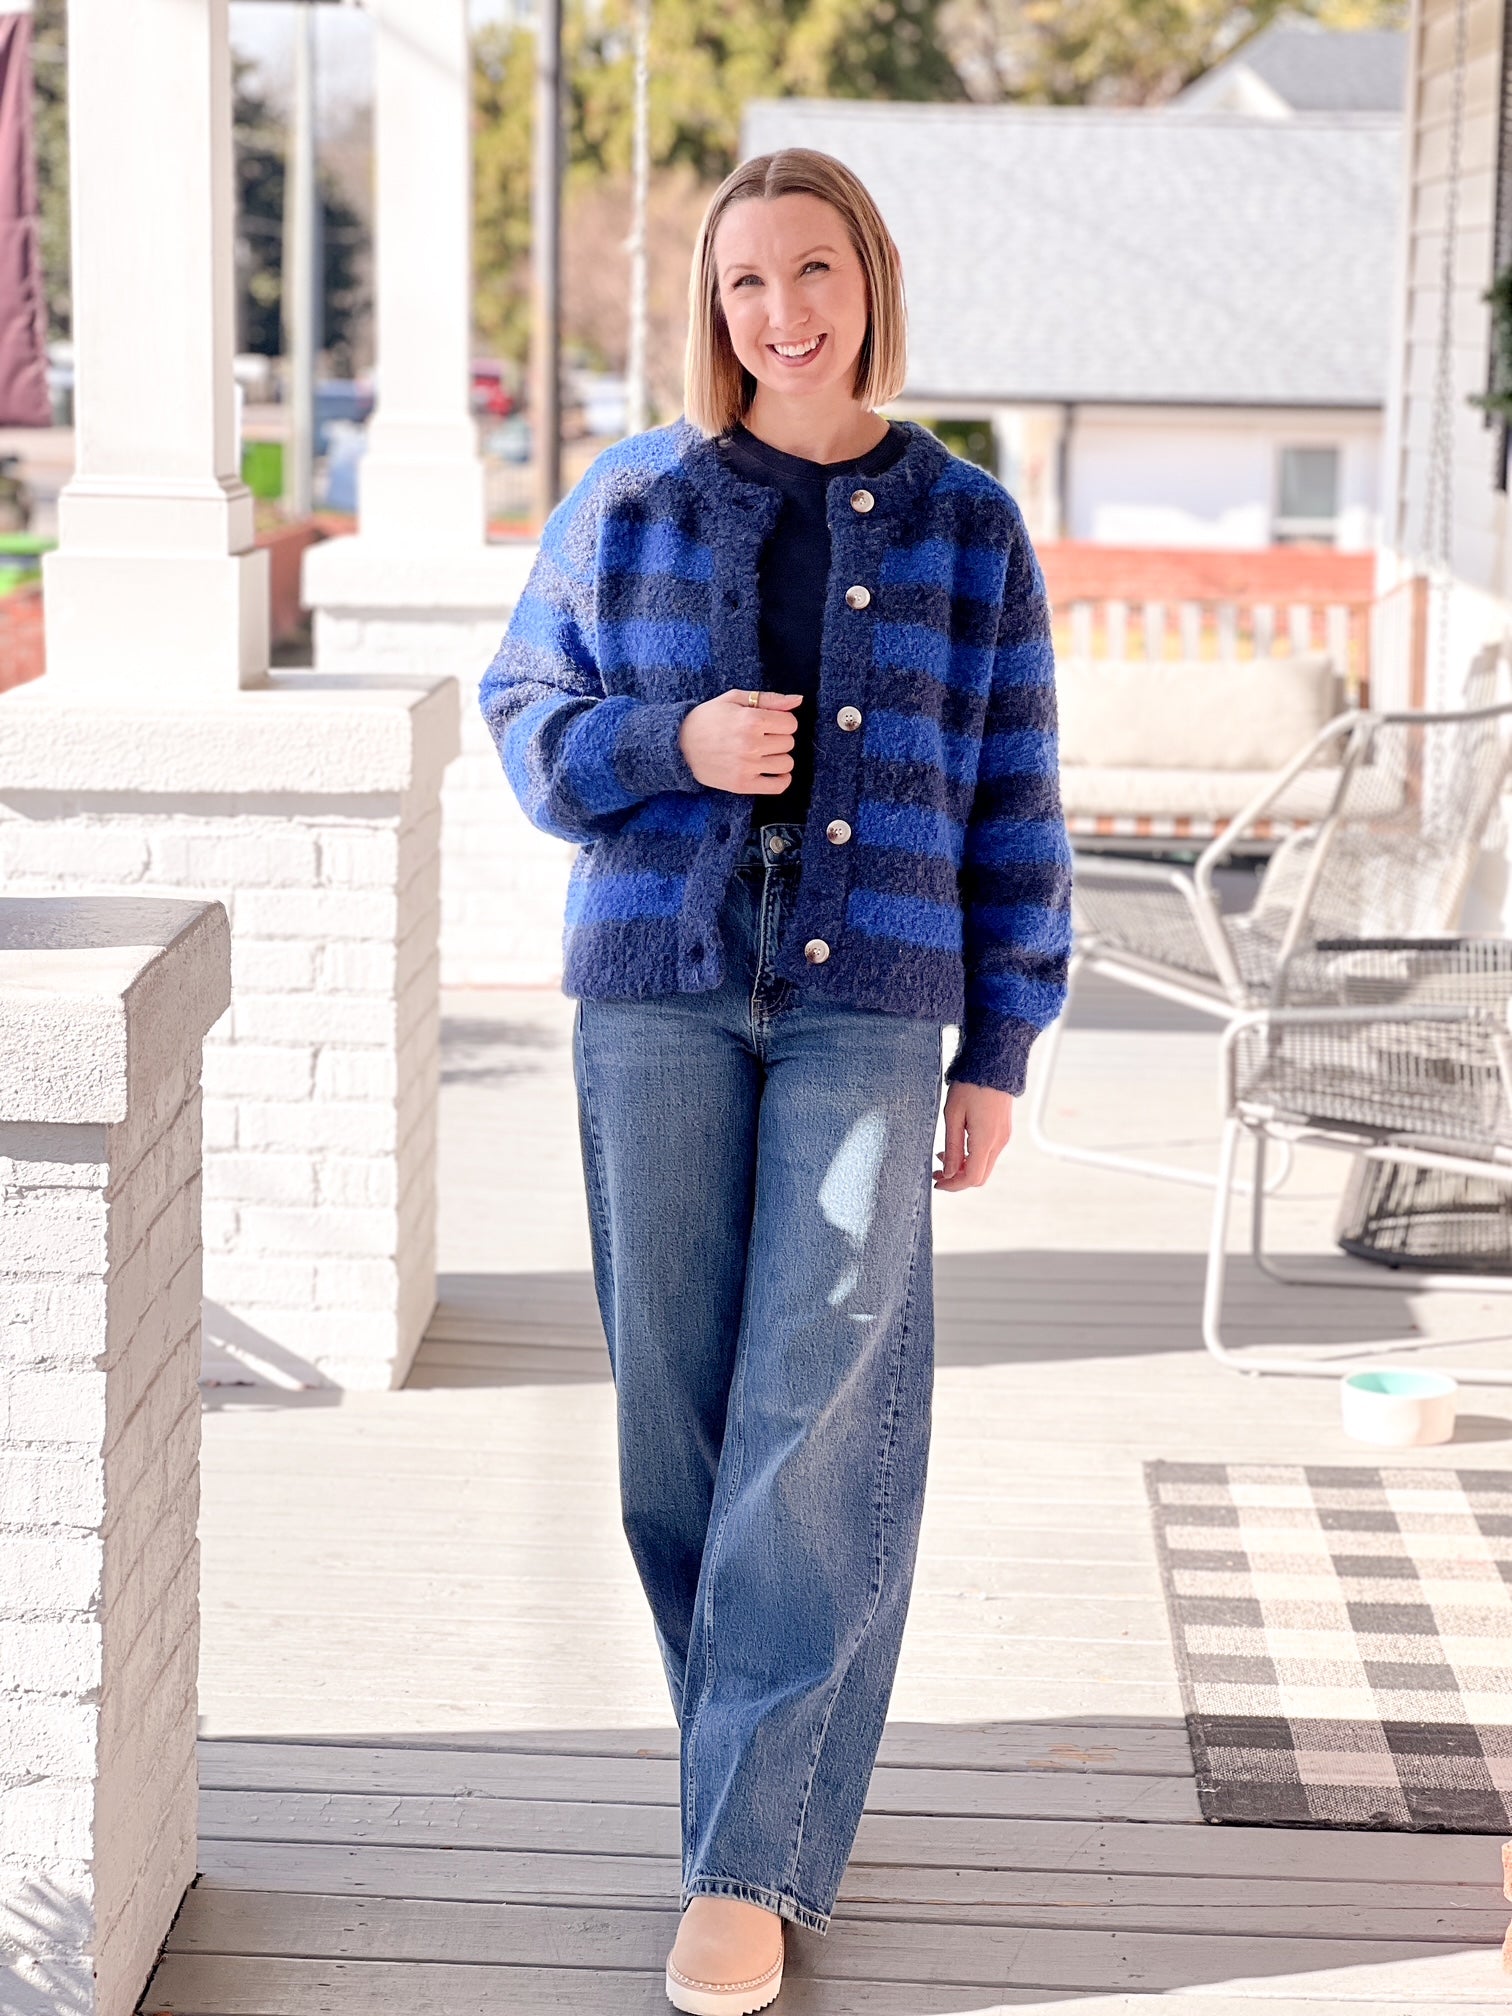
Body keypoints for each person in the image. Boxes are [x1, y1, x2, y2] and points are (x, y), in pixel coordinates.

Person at [481, 146, 1072, 2016]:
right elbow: (528, 728)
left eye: (814, 272)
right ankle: (764, 1783)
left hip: (870, 1009)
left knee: (815, 1407)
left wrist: (1007, 1042)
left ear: (869, 281)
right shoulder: (635, 496)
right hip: (654, 994)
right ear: (714, 308)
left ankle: (744, 1853)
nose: (784, 314)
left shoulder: (969, 524)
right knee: (679, 1425)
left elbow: (1018, 799)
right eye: (747, 283)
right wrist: (676, 739)